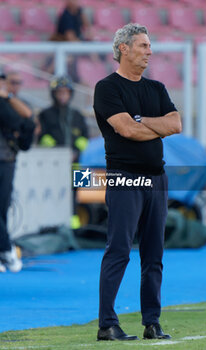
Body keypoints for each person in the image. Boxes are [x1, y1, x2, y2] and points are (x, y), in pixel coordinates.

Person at [93, 23, 182, 341]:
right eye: (143, 45)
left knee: (154, 253)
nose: (149, 51)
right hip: (125, 178)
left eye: (149, 45)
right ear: (123, 49)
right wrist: (149, 126)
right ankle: (107, 324)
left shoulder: (156, 89)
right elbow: (126, 131)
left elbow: (176, 123)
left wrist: (141, 121)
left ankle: (152, 322)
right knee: (118, 250)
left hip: (157, 180)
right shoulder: (107, 88)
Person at [37, 75, 89, 228]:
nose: (62, 96)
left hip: (77, 162)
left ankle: (74, 226)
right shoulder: (45, 114)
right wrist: (59, 153)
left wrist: (76, 151)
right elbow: (43, 137)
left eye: (65, 92)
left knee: (76, 193)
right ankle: (54, 224)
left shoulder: (78, 115)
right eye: (59, 92)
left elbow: (85, 138)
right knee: (53, 192)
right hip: (53, 165)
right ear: (54, 94)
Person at [0, 72, 35, 273]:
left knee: (2, 208)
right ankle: (6, 248)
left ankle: (4, 250)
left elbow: (25, 121)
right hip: (6, 160)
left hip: (7, 160)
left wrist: (8, 98)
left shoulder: (10, 102)